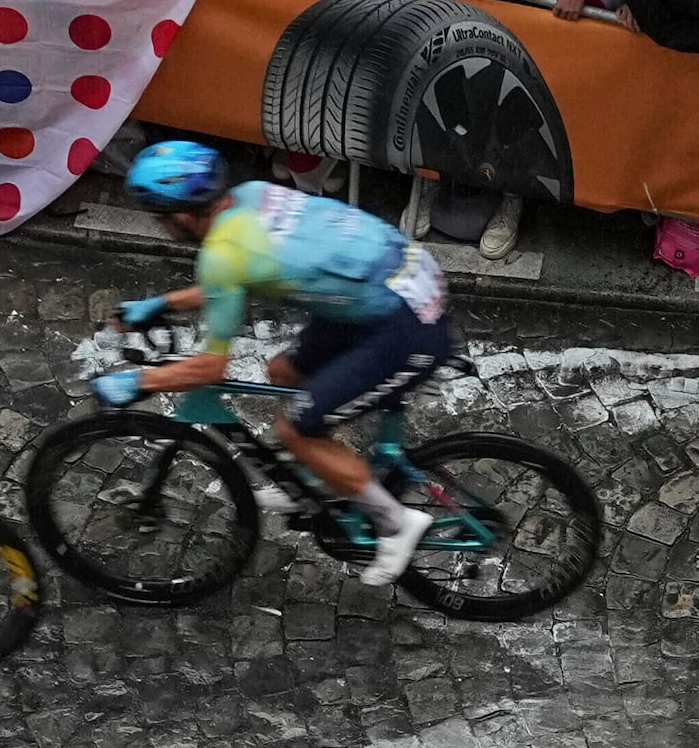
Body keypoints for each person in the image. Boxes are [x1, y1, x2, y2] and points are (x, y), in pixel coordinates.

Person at [99, 140, 460, 588]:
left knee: (294, 429)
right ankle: (314, 478)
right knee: (284, 373)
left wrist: (139, 381)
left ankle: (396, 522)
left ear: (182, 217)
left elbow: (210, 369)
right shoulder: (250, 195)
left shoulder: (222, 254)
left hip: (405, 326)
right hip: (395, 285)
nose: (162, 227)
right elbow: (232, 279)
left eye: (160, 219)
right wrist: (161, 303)